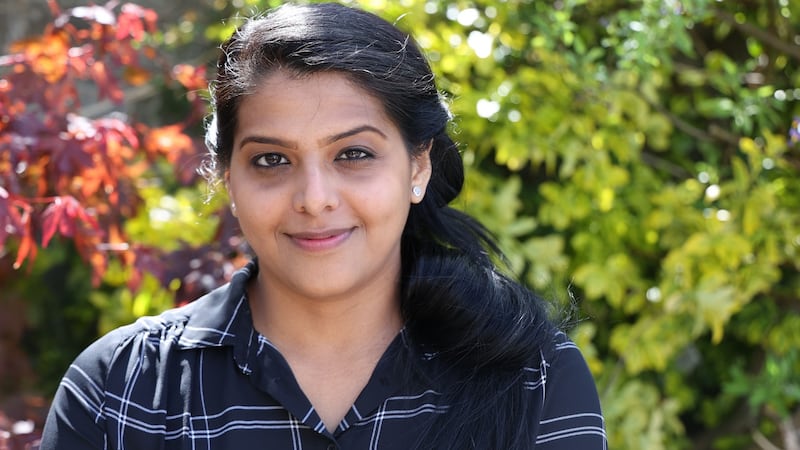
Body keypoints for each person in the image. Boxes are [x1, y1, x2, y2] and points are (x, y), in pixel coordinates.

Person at [40, 2, 606, 449]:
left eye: (354, 155)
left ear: (418, 166)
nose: (314, 199)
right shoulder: (120, 388)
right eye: (271, 160)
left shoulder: (536, 378)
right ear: (227, 177)